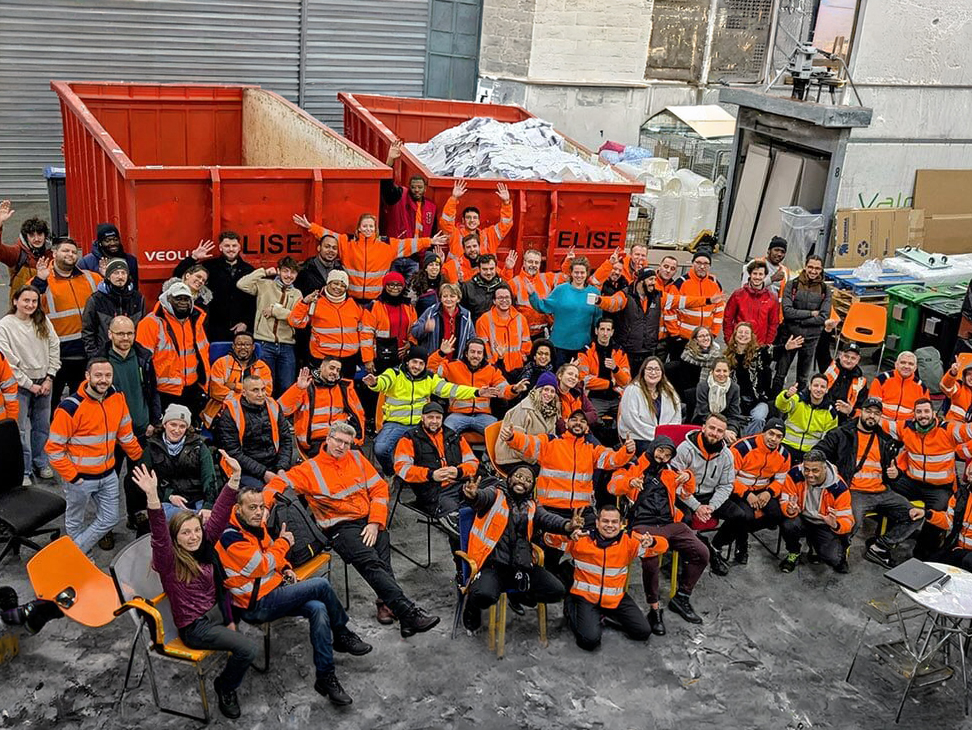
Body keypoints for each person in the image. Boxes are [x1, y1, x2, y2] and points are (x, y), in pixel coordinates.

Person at [264, 423, 441, 634]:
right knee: (372, 562)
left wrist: (375, 522)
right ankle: (409, 613)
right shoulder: (310, 469)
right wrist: (264, 506)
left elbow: (379, 488)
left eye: (346, 443)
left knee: (381, 560)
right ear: (328, 440)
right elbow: (276, 484)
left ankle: (392, 609)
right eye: (337, 440)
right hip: (339, 527)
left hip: (368, 520)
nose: (341, 446)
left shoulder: (357, 458)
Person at [217, 485, 372, 707]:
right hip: (255, 604)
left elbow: (274, 557)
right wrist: (285, 542)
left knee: (318, 608)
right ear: (238, 509)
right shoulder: (230, 537)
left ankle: (325, 677)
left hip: (274, 593)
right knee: (321, 585)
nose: (259, 512)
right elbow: (262, 565)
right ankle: (341, 633)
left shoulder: (257, 525)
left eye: (261, 507)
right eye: (252, 507)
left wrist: (287, 568)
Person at [130, 451, 250, 720]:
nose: (194, 536)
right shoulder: (168, 561)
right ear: (176, 537)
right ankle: (224, 687)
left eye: (197, 530)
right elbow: (160, 534)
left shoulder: (203, 546)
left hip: (216, 611)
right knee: (248, 649)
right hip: (196, 626)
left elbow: (218, 516)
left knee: (253, 610)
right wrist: (152, 497)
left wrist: (235, 479)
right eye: (186, 532)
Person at [499, 410, 634, 585]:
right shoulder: (551, 442)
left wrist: (627, 451)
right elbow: (527, 443)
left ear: (586, 427)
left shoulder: (591, 449)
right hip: (551, 510)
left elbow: (612, 460)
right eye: (574, 420)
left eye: (583, 421)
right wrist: (511, 437)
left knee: (602, 541)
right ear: (566, 423)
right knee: (548, 556)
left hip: (582, 511)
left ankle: (579, 576)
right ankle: (546, 581)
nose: (578, 423)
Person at [460, 468, 582, 632]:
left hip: (521, 566)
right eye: (518, 476)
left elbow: (548, 519)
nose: (522, 481)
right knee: (483, 595)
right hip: (492, 565)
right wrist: (474, 495)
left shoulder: (532, 505)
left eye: (528, 480)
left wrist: (568, 525)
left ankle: (520, 595)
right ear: (509, 478)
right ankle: (471, 609)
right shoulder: (495, 494)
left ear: (531, 486)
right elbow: (482, 498)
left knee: (557, 591)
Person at [46, 358, 143, 553]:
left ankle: (73, 553)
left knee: (110, 518)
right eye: (98, 375)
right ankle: (83, 560)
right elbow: (54, 450)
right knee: (75, 522)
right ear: (87, 376)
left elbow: (125, 433)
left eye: (108, 375)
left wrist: (140, 458)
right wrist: (73, 477)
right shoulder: (70, 408)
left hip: (108, 475)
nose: (103, 380)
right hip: (80, 479)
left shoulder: (117, 398)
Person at [608, 436, 703, 629]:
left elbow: (687, 493)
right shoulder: (633, 465)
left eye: (668, 454)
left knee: (702, 552)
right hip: (642, 524)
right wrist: (630, 483)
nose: (663, 457)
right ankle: (654, 608)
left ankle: (682, 596)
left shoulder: (670, 472)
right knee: (650, 555)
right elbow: (612, 487)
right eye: (660, 451)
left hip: (669, 524)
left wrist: (688, 477)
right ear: (653, 449)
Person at [817, 398, 923, 568]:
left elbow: (891, 471)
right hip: (854, 491)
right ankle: (839, 551)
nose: (871, 416)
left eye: (876, 413)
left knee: (915, 514)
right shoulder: (841, 433)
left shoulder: (886, 440)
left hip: (882, 492)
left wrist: (896, 474)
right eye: (868, 411)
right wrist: (830, 472)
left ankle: (880, 547)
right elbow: (819, 452)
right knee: (851, 521)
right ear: (861, 412)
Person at [364, 345, 490, 474]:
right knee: (380, 448)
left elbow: (452, 389)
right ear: (407, 361)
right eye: (414, 362)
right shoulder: (394, 373)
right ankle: (391, 472)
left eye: (421, 363)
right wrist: (374, 383)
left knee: (438, 448)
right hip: (395, 424)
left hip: (421, 425)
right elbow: (383, 382)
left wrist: (477, 392)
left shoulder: (430, 378)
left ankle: (427, 476)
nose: (417, 366)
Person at [564, 504, 666, 650]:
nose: (610, 525)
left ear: (621, 524)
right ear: (597, 523)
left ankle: (602, 615)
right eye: (605, 521)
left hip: (615, 598)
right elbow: (550, 540)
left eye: (614, 522)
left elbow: (663, 546)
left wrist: (652, 542)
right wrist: (568, 532)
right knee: (589, 641)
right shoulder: (581, 539)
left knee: (643, 632)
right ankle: (570, 606)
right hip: (585, 598)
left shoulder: (629, 541)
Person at [880, 398, 972, 558]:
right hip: (912, 482)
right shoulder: (906, 428)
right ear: (914, 415)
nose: (923, 415)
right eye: (919, 412)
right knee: (883, 488)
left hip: (939, 488)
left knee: (938, 512)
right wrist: (853, 412)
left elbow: (968, 431)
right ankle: (885, 538)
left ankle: (922, 554)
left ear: (933, 413)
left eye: (926, 411)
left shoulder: (948, 430)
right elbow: (881, 422)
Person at [294, 212, 447, 303]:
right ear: (359, 228)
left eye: (371, 226)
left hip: (375, 301)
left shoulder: (387, 245)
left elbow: (409, 244)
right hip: (350, 299)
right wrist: (311, 227)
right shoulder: (347, 243)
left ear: (376, 228)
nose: (368, 229)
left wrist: (430, 241)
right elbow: (328, 236)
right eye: (365, 226)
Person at [101, 315, 161, 536]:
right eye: (120, 333)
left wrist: (155, 421)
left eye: (129, 333)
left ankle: (134, 515)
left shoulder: (144, 357)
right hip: (109, 436)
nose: (125, 338)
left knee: (138, 477)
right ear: (110, 334)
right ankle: (105, 529)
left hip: (141, 431)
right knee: (107, 483)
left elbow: (153, 391)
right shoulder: (101, 360)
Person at [0, 286, 58, 485]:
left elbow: (54, 346)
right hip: (20, 387)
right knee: (20, 430)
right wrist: (28, 384)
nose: (30, 305)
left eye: (34, 301)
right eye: (26, 300)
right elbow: (7, 361)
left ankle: (40, 462)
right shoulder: (5, 325)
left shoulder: (43, 321)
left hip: (44, 383)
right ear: (15, 301)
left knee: (42, 427)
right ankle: (23, 470)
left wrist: (50, 376)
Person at [31, 237, 101, 399]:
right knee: (52, 405)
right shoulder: (43, 280)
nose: (70, 254)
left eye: (73, 251)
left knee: (82, 403)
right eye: (65, 251)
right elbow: (27, 303)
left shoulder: (92, 278)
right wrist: (40, 281)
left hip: (86, 354)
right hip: (57, 357)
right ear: (54, 253)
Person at [670, 413, 738, 575]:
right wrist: (696, 506)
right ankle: (682, 558)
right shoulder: (685, 449)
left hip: (709, 496)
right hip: (684, 496)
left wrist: (712, 506)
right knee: (683, 520)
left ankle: (714, 547)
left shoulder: (727, 455)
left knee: (740, 516)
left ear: (724, 434)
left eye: (720, 431)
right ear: (703, 428)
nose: (714, 433)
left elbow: (726, 485)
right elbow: (675, 483)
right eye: (712, 428)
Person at [394, 402, 479, 528]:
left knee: (491, 493)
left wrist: (459, 471)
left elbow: (473, 462)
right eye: (430, 417)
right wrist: (431, 475)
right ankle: (463, 543)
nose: (434, 421)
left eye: (438, 417)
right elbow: (401, 468)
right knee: (459, 522)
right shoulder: (409, 438)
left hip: (460, 484)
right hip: (433, 492)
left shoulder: (454, 436)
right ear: (422, 417)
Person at [719, 420, 789, 566]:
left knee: (777, 515)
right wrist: (746, 494)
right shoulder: (742, 448)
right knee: (746, 516)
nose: (773, 439)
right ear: (764, 431)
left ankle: (738, 532)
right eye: (770, 433)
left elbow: (781, 481)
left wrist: (769, 492)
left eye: (778, 436)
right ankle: (741, 545)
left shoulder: (784, 455)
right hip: (737, 490)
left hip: (763, 490)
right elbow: (728, 478)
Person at [136, 281, 210, 417]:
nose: (183, 302)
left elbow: (203, 354)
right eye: (178, 298)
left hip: (192, 388)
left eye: (186, 299)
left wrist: (203, 385)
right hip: (164, 392)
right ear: (167, 299)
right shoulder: (150, 323)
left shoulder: (196, 322)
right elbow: (142, 364)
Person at [428, 337, 526, 435]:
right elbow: (430, 370)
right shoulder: (452, 366)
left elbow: (503, 390)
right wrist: (441, 353)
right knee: (446, 431)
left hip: (483, 415)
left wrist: (514, 389)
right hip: (457, 414)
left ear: (483, 355)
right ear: (466, 354)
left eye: (479, 353)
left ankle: (487, 451)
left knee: (499, 433)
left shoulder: (491, 370)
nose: (475, 355)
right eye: (472, 352)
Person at [288, 269, 376, 378]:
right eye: (335, 283)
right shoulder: (315, 302)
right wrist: (304, 302)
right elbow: (295, 322)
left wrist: (367, 358)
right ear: (328, 283)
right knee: (322, 392)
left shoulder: (355, 305)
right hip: (322, 359)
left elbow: (365, 335)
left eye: (342, 285)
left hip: (348, 361)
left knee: (345, 392)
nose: (338, 288)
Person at [235, 256, 302, 396]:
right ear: (279, 271)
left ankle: (284, 416)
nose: (288, 276)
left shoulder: (297, 294)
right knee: (263, 385)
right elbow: (242, 284)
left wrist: (276, 311)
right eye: (285, 271)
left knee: (287, 386)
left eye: (293, 273)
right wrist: (263, 272)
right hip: (264, 343)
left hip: (286, 344)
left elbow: (297, 317)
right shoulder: (265, 284)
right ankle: (264, 416)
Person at [778, 449, 853, 574]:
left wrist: (835, 524)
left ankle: (825, 548)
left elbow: (848, 520)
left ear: (825, 469)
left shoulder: (839, 488)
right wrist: (789, 509)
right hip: (802, 518)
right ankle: (793, 552)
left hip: (825, 524)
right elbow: (785, 499)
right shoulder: (794, 474)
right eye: (806, 469)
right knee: (788, 524)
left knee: (833, 559)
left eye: (815, 470)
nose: (810, 474)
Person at [214, 373, 293, 489]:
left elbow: (286, 440)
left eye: (263, 389)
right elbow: (233, 452)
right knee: (260, 494)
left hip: (274, 464)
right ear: (244, 393)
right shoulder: (231, 412)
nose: (261, 394)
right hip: (244, 469)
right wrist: (264, 473)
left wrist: (282, 468)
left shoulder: (273, 406)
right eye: (255, 390)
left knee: (295, 489)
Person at [173, 234, 256, 343]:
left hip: (240, 330)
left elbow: (253, 301)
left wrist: (246, 322)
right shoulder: (210, 266)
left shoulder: (249, 270)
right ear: (220, 248)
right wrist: (193, 258)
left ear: (239, 248)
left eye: (234, 246)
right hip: (213, 329)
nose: (231, 249)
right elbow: (179, 275)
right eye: (227, 246)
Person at [725, 322, 802, 436]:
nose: (743, 335)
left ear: (751, 336)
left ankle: (747, 442)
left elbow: (772, 351)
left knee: (759, 418)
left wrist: (786, 347)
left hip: (758, 400)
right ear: (735, 335)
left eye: (747, 333)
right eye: (740, 332)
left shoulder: (759, 353)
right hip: (735, 400)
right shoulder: (727, 356)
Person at [143, 404, 217, 522]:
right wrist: (169, 496)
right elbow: (144, 481)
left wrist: (208, 505)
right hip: (167, 500)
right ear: (164, 424)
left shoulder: (200, 446)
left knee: (210, 522)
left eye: (182, 426)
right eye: (173, 424)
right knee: (178, 520)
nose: (177, 430)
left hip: (197, 498)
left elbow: (209, 478)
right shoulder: (152, 447)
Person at [527, 256, 605, 366]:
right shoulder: (561, 290)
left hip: (582, 346)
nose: (579, 275)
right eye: (576, 272)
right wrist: (532, 295)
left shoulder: (594, 292)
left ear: (587, 273)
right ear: (571, 273)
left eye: (582, 272)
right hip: (559, 346)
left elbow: (598, 319)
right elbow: (543, 306)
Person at [774, 255, 836, 392]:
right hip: (790, 336)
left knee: (803, 377)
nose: (813, 271)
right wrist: (810, 313)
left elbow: (824, 316)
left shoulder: (825, 290)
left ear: (821, 270)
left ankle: (801, 403)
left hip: (811, 339)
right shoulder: (792, 285)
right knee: (780, 373)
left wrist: (798, 317)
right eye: (811, 267)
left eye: (817, 268)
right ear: (805, 267)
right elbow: (787, 312)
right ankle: (774, 402)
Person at [279, 361, 365, 455]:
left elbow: (359, 414)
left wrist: (357, 439)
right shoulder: (306, 385)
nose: (335, 372)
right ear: (321, 367)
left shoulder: (345, 387)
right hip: (317, 440)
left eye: (338, 370)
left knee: (357, 458)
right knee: (332, 459)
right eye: (331, 368)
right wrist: (298, 388)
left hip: (342, 436)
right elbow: (280, 410)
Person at [600, 266, 663, 378]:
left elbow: (681, 301)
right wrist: (599, 301)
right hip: (629, 350)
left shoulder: (657, 296)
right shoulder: (625, 295)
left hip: (648, 349)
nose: (654, 283)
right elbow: (612, 303)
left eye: (654, 279)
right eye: (651, 279)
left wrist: (705, 301)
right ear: (641, 281)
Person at [201, 331, 273, 428]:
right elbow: (216, 391)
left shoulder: (263, 367)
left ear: (253, 347)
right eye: (239, 344)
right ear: (233, 346)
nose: (243, 347)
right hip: (221, 414)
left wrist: (236, 386)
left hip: (253, 415)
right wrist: (249, 395)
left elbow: (266, 393)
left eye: (247, 344)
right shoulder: (221, 363)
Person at [664, 248, 726, 361]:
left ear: (710, 266)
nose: (702, 267)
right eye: (698, 263)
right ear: (692, 263)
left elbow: (719, 311)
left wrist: (713, 333)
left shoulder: (715, 284)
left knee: (696, 373)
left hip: (703, 340)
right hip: (682, 340)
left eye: (706, 263)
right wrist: (675, 334)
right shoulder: (680, 283)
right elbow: (669, 310)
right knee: (676, 372)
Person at [80, 258, 145, 359]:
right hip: (104, 356)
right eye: (116, 273)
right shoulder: (95, 300)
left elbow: (142, 328)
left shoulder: (138, 298)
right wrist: (94, 355)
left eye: (123, 273)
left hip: (131, 355)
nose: (120, 277)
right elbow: (88, 331)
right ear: (108, 276)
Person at [494, 373, 560, 469]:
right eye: (545, 389)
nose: (549, 394)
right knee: (546, 474)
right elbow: (515, 443)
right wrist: (538, 460)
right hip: (512, 458)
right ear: (538, 390)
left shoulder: (552, 412)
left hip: (533, 456)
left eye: (552, 391)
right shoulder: (523, 409)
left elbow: (550, 441)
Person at [618, 357, 681, 455]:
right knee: (654, 453)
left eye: (657, 369)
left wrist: (667, 435)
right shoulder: (632, 390)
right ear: (643, 371)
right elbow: (632, 422)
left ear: (662, 373)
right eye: (649, 369)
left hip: (663, 438)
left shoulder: (668, 389)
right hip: (638, 437)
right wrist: (656, 435)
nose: (653, 372)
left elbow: (677, 414)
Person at [439, 179, 513, 258]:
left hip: (485, 270)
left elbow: (506, 224)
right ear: (463, 221)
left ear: (479, 221)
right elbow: (446, 221)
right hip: (459, 270)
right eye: (468, 217)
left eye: (475, 218)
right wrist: (454, 198)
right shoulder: (455, 235)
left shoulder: (489, 236)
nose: (472, 220)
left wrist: (506, 203)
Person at [775, 375, 839, 461]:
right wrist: (786, 396)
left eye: (823, 387)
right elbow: (780, 406)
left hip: (810, 453)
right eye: (816, 385)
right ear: (810, 387)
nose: (819, 389)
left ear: (827, 390)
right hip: (787, 445)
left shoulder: (831, 412)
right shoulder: (797, 399)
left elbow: (829, 438)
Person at [577, 318, 631, 418]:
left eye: (608, 330)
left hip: (616, 397)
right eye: (602, 329)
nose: (605, 333)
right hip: (594, 397)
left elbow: (626, 381)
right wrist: (610, 383)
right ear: (596, 331)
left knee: (628, 418)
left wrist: (616, 369)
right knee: (592, 419)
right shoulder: (585, 352)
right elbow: (583, 380)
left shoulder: (620, 351)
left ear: (612, 332)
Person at [383, 139, 437, 238]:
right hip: (400, 251)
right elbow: (387, 188)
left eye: (420, 187)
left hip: (421, 251)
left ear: (425, 189)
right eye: (413, 187)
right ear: (409, 187)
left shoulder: (431, 207)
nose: (416, 190)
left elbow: (432, 232)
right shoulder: (399, 197)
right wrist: (390, 161)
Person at [475, 284, 531, 376]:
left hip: (517, 369)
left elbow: (526, 342)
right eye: (500, 298)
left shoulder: (521, 319)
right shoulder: (483, 320)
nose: (504, 300)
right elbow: (483, 346)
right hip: (494, 368)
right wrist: (492, 364)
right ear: (494, 301)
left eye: (507, 297)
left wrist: (522, 358)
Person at [509, 248, 565, 339]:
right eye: (530, 262)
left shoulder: (546, 278)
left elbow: (565, 277)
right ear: (524, 263)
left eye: (536, 262)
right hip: (521, 333)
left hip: (543, 332)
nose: (533, 265)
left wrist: (568, 261)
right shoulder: (514, 283)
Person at [410, 283, 475, 360]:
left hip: (456, 362)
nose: (448, 299)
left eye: (452, 296)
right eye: (445, 296)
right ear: (440, 298)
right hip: (434, 361)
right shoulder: (431, 312)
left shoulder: (466, 315)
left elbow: (471, 338)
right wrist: (424, 328)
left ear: (458, 299)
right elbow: (414, 332)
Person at [670, 325, 722, 419]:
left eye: (707, 335)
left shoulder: (717, 356)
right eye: (701, 336)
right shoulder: (687, 355)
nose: (705, 338)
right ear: (695, 340)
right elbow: (684, 382)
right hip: (690, 395)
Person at [0, 203, 51, 297]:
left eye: (40, 234)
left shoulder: (52, 255)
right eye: (32, 235)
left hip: (48, 307)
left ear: (45, 236)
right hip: (22, 308)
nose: (36, 239)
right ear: (26, 238)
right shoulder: (17, 253)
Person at [723, 260, 780, 345]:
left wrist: (766, 344)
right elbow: (727, 319)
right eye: (755, 273)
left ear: (765, 276)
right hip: (738, 343)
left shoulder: (772, 298)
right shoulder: (738, 295)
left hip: (759, 345)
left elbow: (773, 324)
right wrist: (729, 340)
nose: (757, 277)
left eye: (760, 274)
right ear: (750, 274)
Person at [370, 271, 417, 374]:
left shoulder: (409, 307)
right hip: (380, 358)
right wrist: (368, 360)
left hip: (403, 358)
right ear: (384, 286)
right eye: (391, 284)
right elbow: (366, 335)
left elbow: (414, 329)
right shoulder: (375, 306)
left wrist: (410, 343)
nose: (395, 287)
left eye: (399, 284)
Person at [868, 350, 929, 420]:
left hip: (906, 426)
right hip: (882, 422)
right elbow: (872, 407)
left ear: (915, 368)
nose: (906, 366)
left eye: (910, 364)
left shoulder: (921, 387)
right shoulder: (881, 380)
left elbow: (924, 412)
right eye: (903, 362)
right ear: (896, 365)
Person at [927, 483, 972, 571]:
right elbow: (950, 522)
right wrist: (927, 514)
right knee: (932, 565)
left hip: (968, 557)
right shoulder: (962, 494)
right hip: (959, 548)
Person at [694, 358, 743, 437]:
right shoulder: (703, 386)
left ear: (729, 372)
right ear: (712, 371)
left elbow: (734, 415)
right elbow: (703, 413)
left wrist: (731, 431)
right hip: (703, 421)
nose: (721, 374)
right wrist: (721, 430)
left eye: (725, 371)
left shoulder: (734, 388)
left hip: (727, 424)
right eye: (718, 371)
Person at [822, 342, 868, 423]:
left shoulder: (861, 382)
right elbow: (821, 350)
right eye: (846, 356)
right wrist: (827, 331)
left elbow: (861, 409)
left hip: (844, 419)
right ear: (840, 355)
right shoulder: (829, 366)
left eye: (853, 358)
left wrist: (851, 412)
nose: (849, 360)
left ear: (858, 360)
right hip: (822, 411)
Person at [459, 254, 506, 323]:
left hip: (498, 329)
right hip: (474, 328)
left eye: (491, 269)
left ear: (496, 268)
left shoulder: (503, 286)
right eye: (485, 269)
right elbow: (461, 312)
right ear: (479, 269)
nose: (488, 272)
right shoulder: (467, 287)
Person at [295, 232, 344, 296]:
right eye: (327, 247)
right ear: (319, 248)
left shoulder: (341, 271)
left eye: (334, 248)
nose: (331, 250)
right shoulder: (304, 270)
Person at [554, 362, 597, 436]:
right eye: (570, 374)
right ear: (560, 376)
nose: (573, 378)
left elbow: (594, 414)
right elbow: (558, 424)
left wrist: (577, 421)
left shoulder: (579, 393)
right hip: (563, 436)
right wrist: (581, 422)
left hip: (583, 433)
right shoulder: (553, 394)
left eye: (576, 376)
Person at [408, 250, 443, 317]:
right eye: (431, 265)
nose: (434, 267)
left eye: (437, 265)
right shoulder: (416, 282)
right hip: (421, 317)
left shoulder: (444, 281)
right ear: (425, 268)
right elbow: (411, 304)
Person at [941, 355, 972, 422]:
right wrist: (952, 373)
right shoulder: (959, 386)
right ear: (964, 376)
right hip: (953, 426)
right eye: (969, 374)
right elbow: (946, 387)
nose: (971, 377)